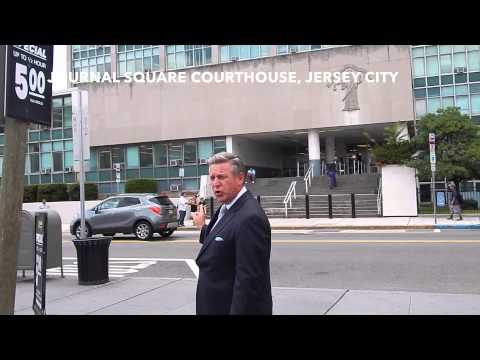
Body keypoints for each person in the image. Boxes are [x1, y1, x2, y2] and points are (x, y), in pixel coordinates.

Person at [191, 152, 272, 315]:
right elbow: (223, 239)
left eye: (221, 177)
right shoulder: (227, 206)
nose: (215, 184)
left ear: (240, 178)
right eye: (212, 178)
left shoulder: (250, 217)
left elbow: (248, 283)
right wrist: (203, 229)